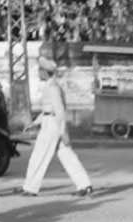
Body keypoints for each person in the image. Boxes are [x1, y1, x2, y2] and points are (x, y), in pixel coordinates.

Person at [20, 57, 92, 198]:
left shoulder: (53, 88)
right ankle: (84, 185)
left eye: (40, 70)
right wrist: (35, 123)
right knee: (67, 156)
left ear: (45, 72)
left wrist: (63, 131)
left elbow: (59, 111)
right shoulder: (50, 85)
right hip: (50, 121)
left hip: (52, 124)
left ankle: (30, 188)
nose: (39, 73)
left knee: (39, 155)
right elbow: (48, 110)